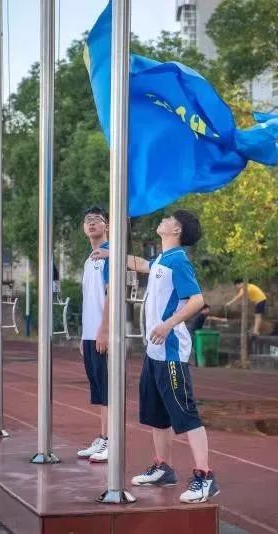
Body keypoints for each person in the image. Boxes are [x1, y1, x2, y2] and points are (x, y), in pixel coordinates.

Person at [90, 209, 219, 503]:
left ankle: (205, 476)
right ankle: (163, 467)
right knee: (157, 415)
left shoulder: (179, 262)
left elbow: (197, 299)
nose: (163, 220)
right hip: (155, 353)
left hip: (171, 352)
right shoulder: (162, 260)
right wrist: (110, 254)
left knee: (185, 414)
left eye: (169, 219)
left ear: (177, 230)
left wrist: (168, 324)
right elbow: (141, 264)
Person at [76, 207, 111, 463]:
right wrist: (84, 334)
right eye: (87, 220)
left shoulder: (109, 256)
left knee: (108, 389)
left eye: (97, 220)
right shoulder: (90, 259)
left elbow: (111, 295)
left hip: (103, 333)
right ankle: (102, 437)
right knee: (98, 390)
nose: (91, 224)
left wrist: (105, 330)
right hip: (90, 334)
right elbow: (89, 299)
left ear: (106, 225)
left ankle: (111, 441)